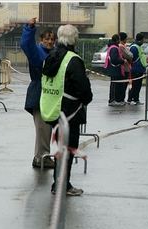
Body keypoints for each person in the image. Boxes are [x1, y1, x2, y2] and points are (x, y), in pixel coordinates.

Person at [41, 24, 93, 196]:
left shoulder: (51, 56)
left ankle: (59, 183)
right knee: (68, 150)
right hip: (69, 112)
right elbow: (82, 88)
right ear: (75, 39)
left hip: (52, 109)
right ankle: (62, 185)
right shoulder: (73, 59)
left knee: (59, 150)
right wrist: (87, 99)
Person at [20, 17, 56, 169]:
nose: (49, 42)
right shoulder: (36, 53)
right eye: (46, 39)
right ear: (41, 40)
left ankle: (40, 156)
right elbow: (26, 44)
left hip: (52, 96)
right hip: (39, 94)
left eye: (52, 40)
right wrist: (29, 29)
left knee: (46, 129)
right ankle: (42, 157)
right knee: (42, 128)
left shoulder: (55, 53)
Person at [104, 34, 126, 106]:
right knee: (114, 85)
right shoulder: (114, 48)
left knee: (116, 85)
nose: (120, 41)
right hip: (115, 69)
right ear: (117, 40)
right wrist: (122, 61)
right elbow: (114, 59)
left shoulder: (113, 47)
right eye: (119, 39)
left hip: (115, 69)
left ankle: (116, 99)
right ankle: (112, 100)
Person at [128, 33, 147, 105]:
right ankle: (132, 99)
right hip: (136, 69)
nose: (144, 40)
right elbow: (132, 58)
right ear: (141, 39)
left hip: (139, 68)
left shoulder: (138, 46)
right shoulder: (134, 47)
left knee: (138, 85)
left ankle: (136, 98)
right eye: (143, 39)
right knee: (135, 85)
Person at [118, 32, 133, 104]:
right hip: (125, 68)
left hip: (127, 67)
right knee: (123, 85)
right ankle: (121, 99)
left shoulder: (123, 46)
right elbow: (129, 55)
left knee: (124, 85)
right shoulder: (121, 46)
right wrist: (129, 53)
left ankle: (122, 99)